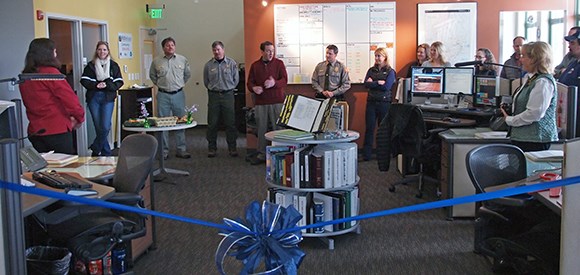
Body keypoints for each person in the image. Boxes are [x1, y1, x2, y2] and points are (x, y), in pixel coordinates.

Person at [19, 38, 85, 154]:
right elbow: (70, 100)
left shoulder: (25, 77)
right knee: (66, 168)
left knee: (44, 169)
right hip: (56, 129)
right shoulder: (52, 74)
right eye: (54, 51)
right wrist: (79, 118)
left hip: (35, 130)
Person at [500, 41, 558, 152]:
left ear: (535, 59)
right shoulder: (531, 78)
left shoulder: (543, 82)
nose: (520, 60)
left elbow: (534, 114)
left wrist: (510, 120)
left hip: (535, 141)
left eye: (523, 56)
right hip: (525, 139)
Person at [149, 37, 192, 159]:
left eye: (172, 45)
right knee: (163, 123)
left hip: (178, 94)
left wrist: (179, 84)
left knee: (180, 122)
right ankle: (164, 151)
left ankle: (181, 149)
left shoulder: (182, 60)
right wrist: (162, 85)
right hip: (163, 95)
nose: (170, 47)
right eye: (168, 45)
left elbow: (187, 74)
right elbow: (152, 76)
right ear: (163, 48)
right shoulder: (156, 61)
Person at [247, 41, 288, 165]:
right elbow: (250, 83)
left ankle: (280, 153)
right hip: (261, 102)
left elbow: (285, 80)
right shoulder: (255, 66)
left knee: (278, 129)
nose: (271, 53)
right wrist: (254, 88)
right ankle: (261, 154)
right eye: (268, 51)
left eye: (272, 51)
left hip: (277, 101)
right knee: (261, 129)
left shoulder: (279, 64)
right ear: (262, 52)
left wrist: (274, 83)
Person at [80, 41, 124, 156]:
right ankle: (105, 152)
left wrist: (107, 85)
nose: (102, 52)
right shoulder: (91, 65)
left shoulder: (114, 65)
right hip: (94, 98)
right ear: (96, 51)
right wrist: (95, 85)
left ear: (108, 51)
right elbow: (84, 80)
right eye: (99, 49)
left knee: (105, 126)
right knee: (98, 126)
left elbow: (119, 82)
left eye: (104, 49)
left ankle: (95, 147)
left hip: (108, 98)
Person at [202, 41, 239, 158]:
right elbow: (206, 81)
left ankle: (232, 148)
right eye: (214, 50)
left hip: (228, 95)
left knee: (230, 123)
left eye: (218, 49)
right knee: (212, 123)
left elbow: (236, 80)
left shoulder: (232, 63)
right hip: (214, 95)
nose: (216, 52)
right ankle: (212, 148)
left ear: (223, 50)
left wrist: (228, 88)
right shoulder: (208, 65)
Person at [362, 47, 396, 161]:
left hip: (384, 104)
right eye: (375, 56)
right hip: (371, 103)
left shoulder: (391, 71)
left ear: (385, 57)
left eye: (379, 56)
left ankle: (383, 155)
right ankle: (366, 155)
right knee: (369, 129)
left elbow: (387, 87)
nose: (377, 58)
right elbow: (366, 84)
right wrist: (378, 82)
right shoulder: (371, 70)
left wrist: (373, 83)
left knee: (383, 131)